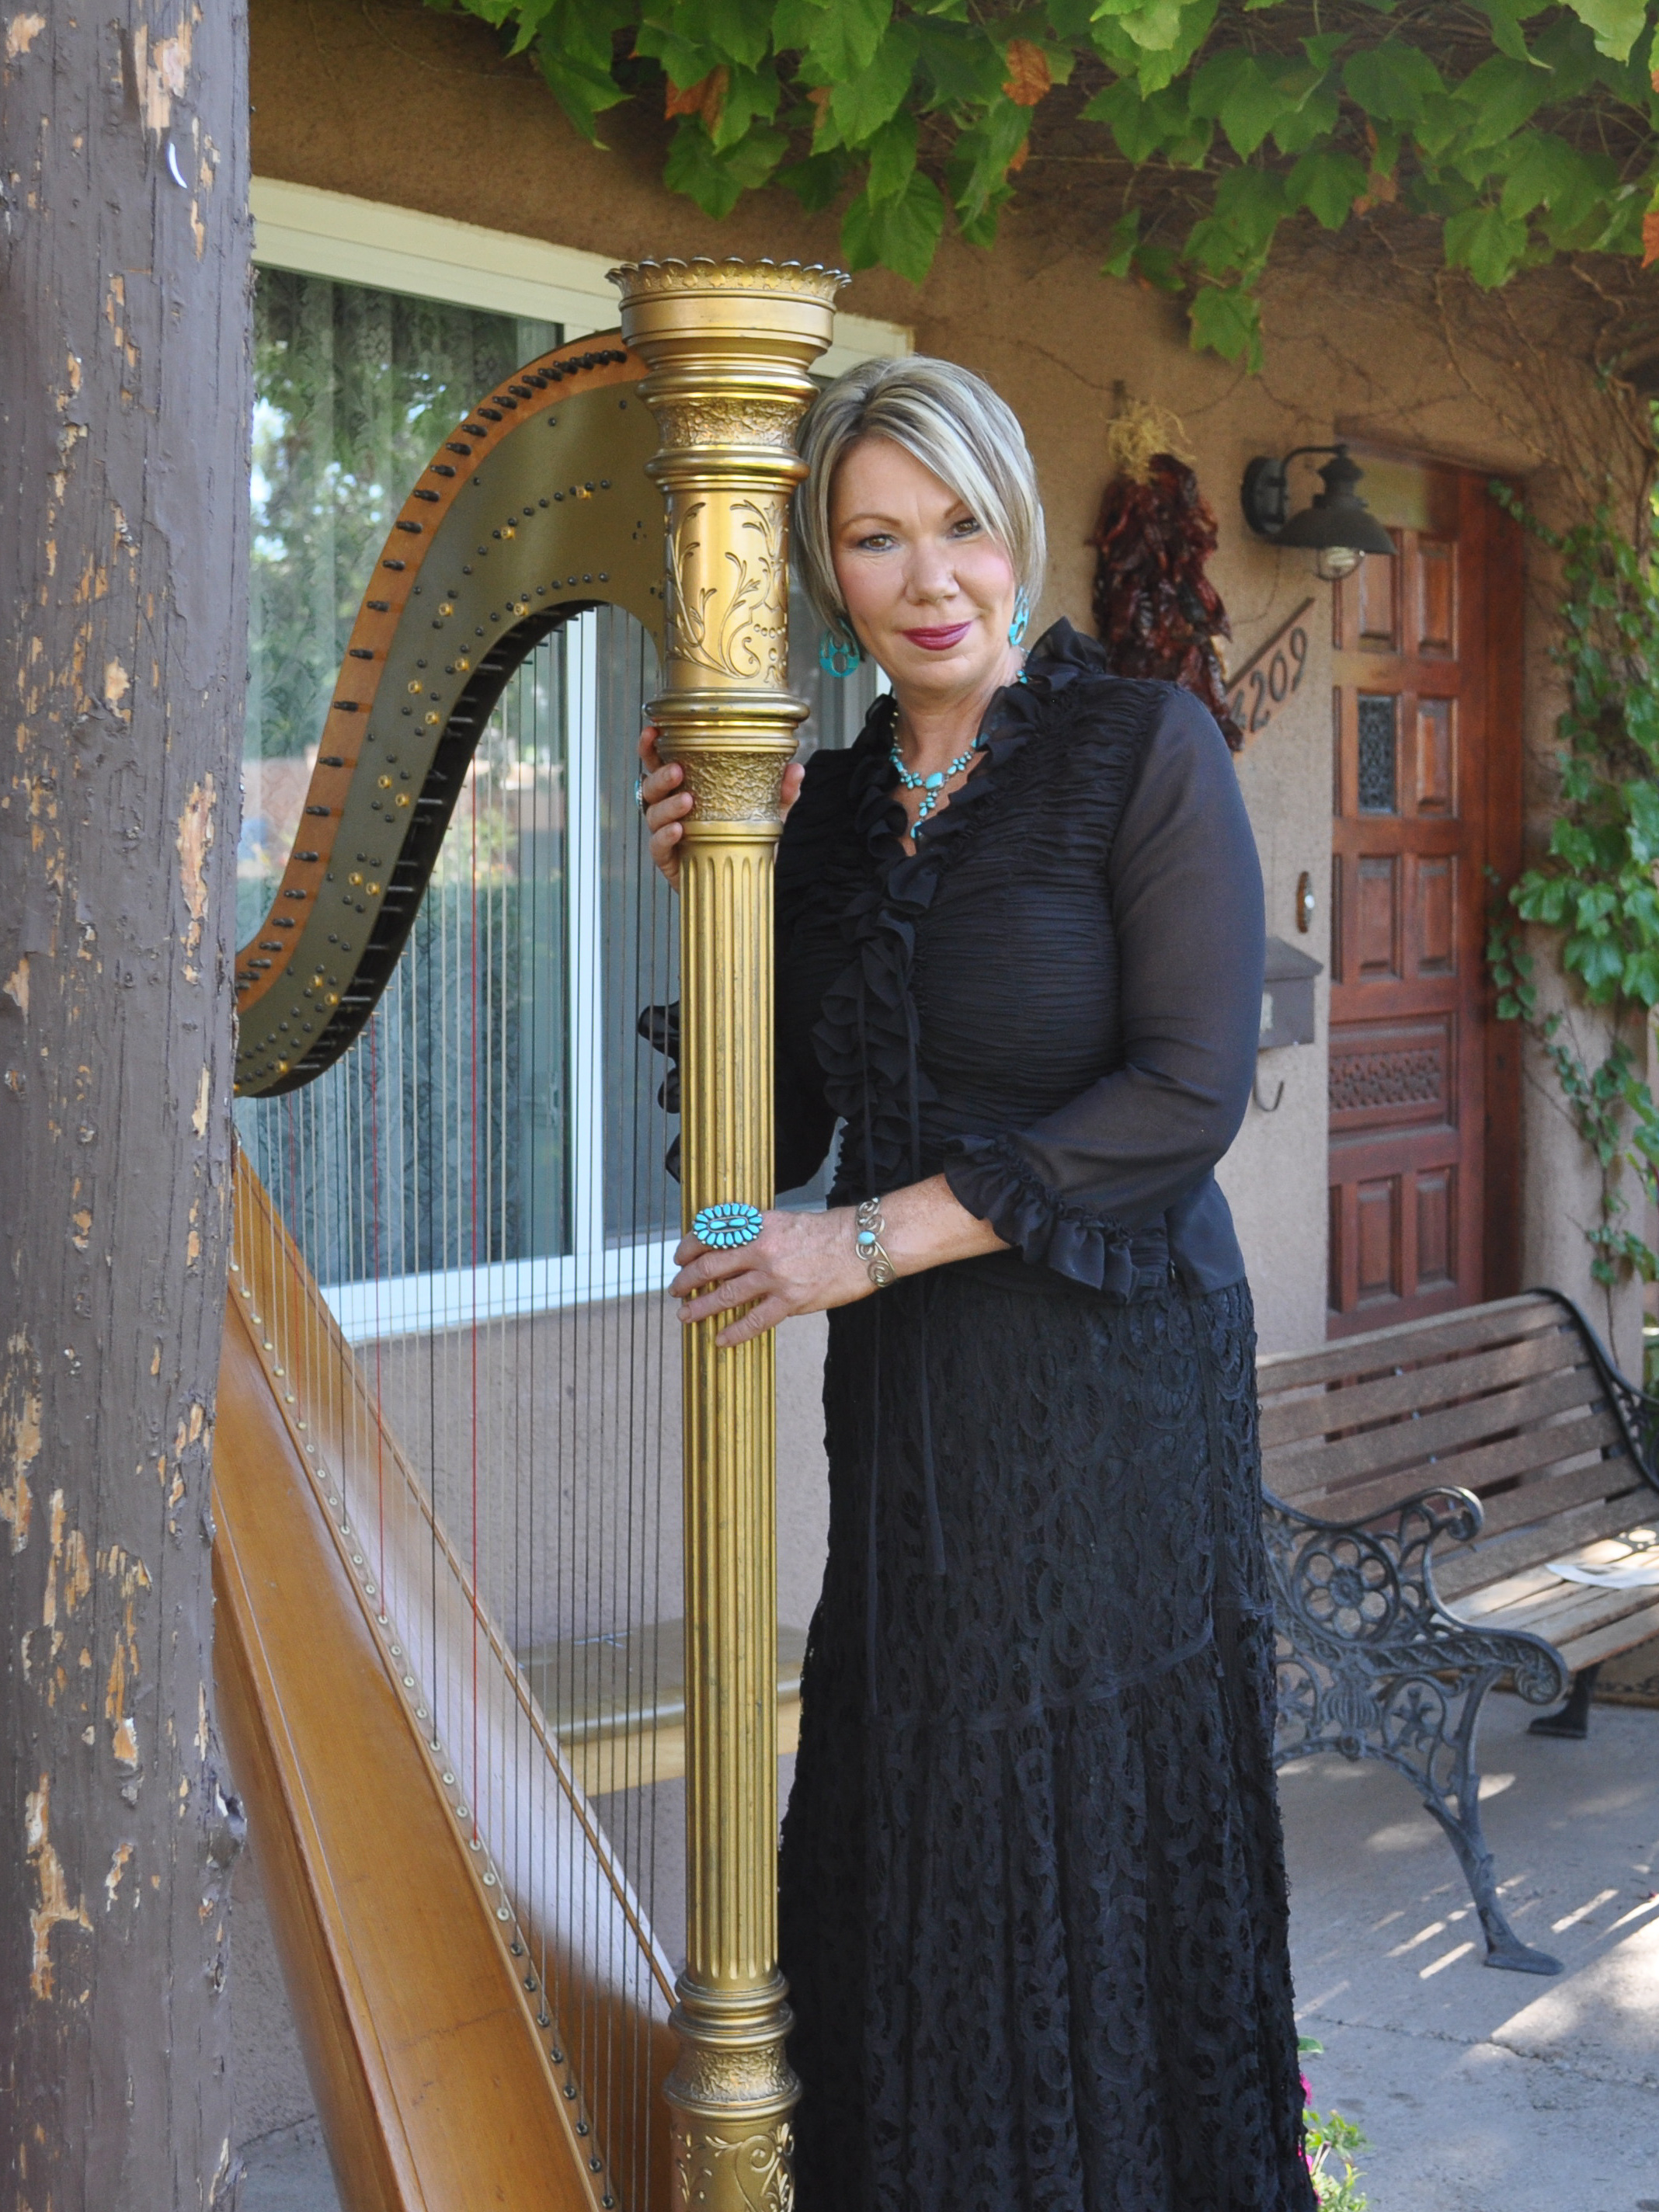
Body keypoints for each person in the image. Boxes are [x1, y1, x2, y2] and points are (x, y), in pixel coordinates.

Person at [637, 356, 1314, 2212]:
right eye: (874, 534)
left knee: (1071, 1833)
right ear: (826, 566)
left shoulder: (1140, 748)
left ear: (1012, 524)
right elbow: (761, 1148)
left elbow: (1181, 1099)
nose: (927, 571)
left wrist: (857, 1245)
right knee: (917, 1818)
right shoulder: (839, 810)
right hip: (917, 1418)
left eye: (956, 521)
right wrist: (723, 886)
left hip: (1111, 1404)